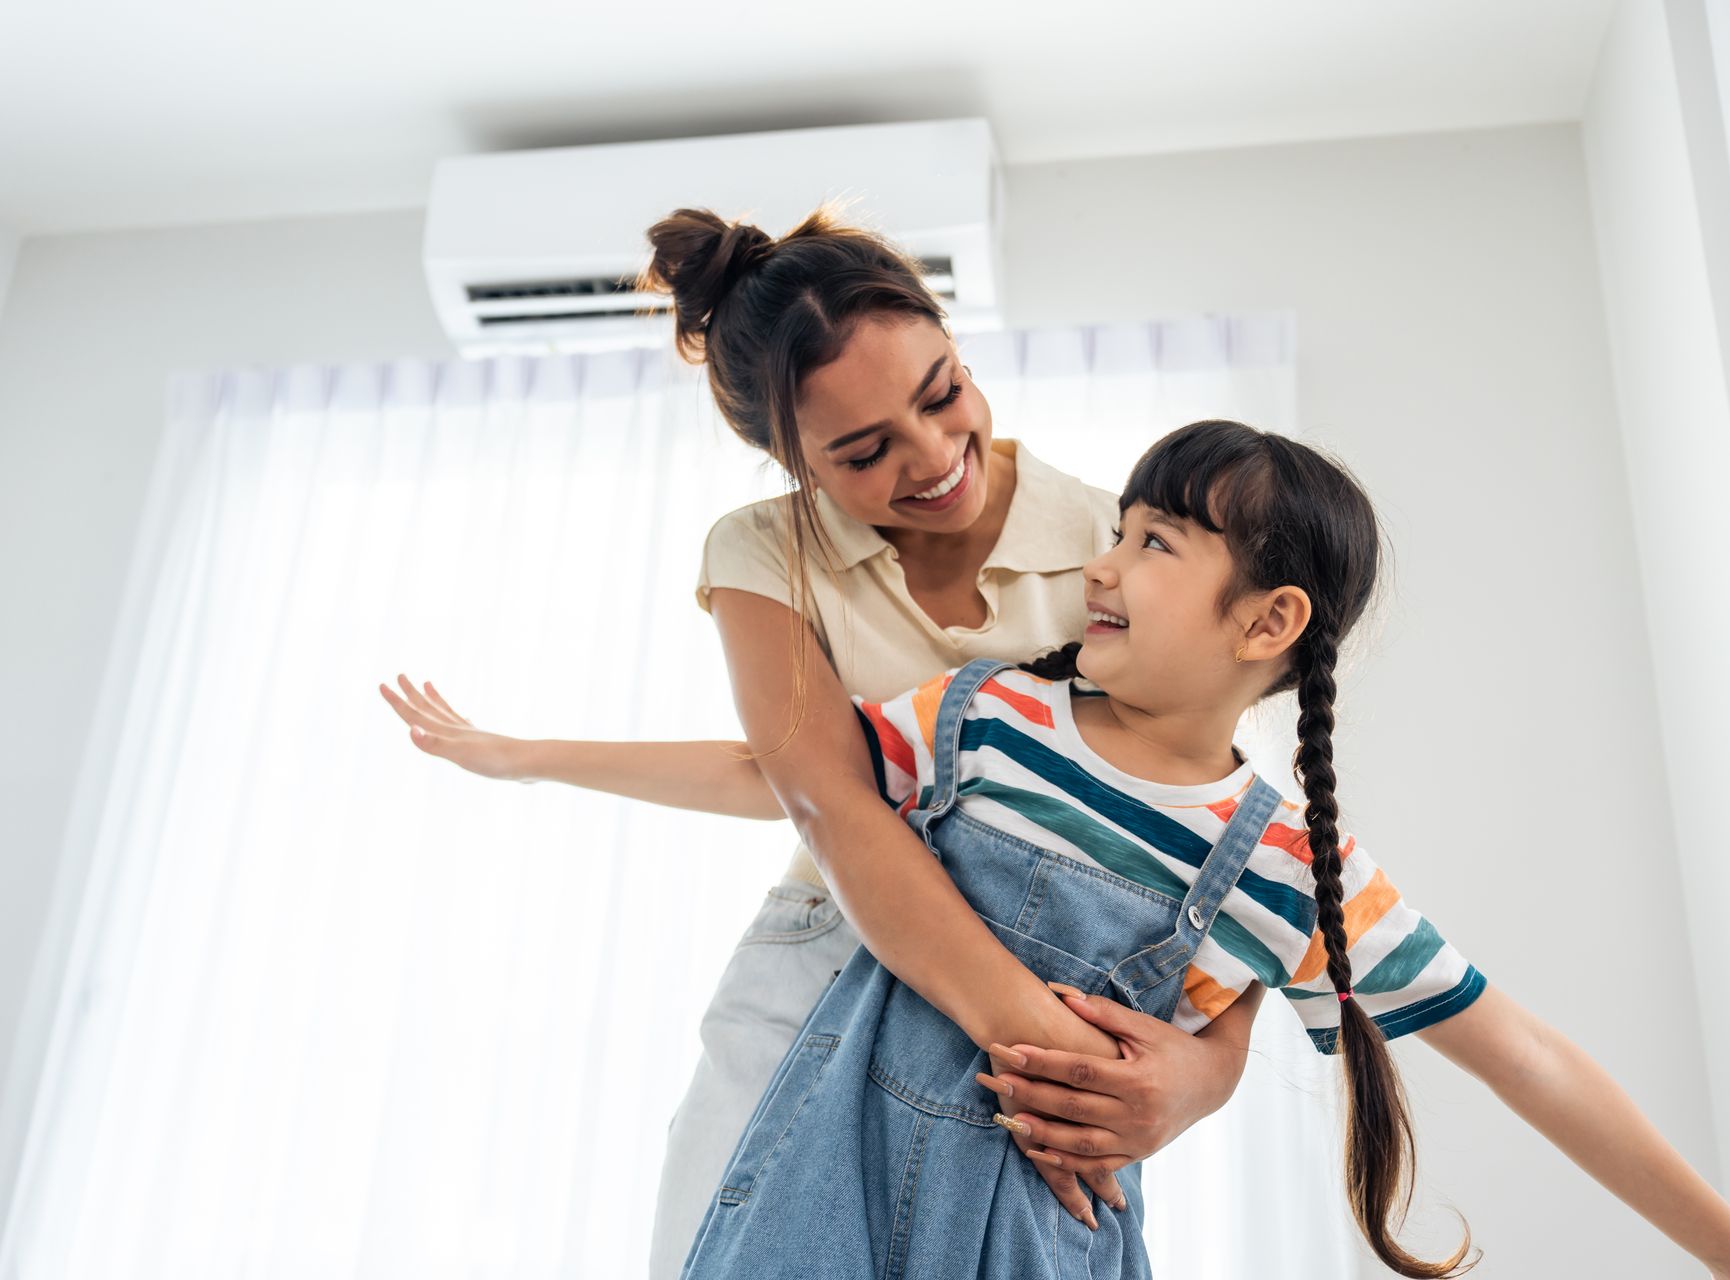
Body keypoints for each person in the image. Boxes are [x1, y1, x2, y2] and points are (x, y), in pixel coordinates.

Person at [672, 419, 1730, 1279]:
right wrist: (526, 759)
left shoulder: (1295, 868)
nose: (1101, 565)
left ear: (1267, 623)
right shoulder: (988, 716)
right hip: (830, 1183)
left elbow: (1525, 1055)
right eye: (1116, 532)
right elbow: (787, 771)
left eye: (1152, 541)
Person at [379, 207, 1263, 1276]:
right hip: (845, 959)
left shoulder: (1106, 541)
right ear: (790, 461)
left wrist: (1203, 1073)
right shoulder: (767, 552)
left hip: (1053, 982)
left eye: (943, 393)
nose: (936, 455)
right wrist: (1047, 1042)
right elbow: (820, 790)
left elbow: (1212, 813)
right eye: (863, 451)